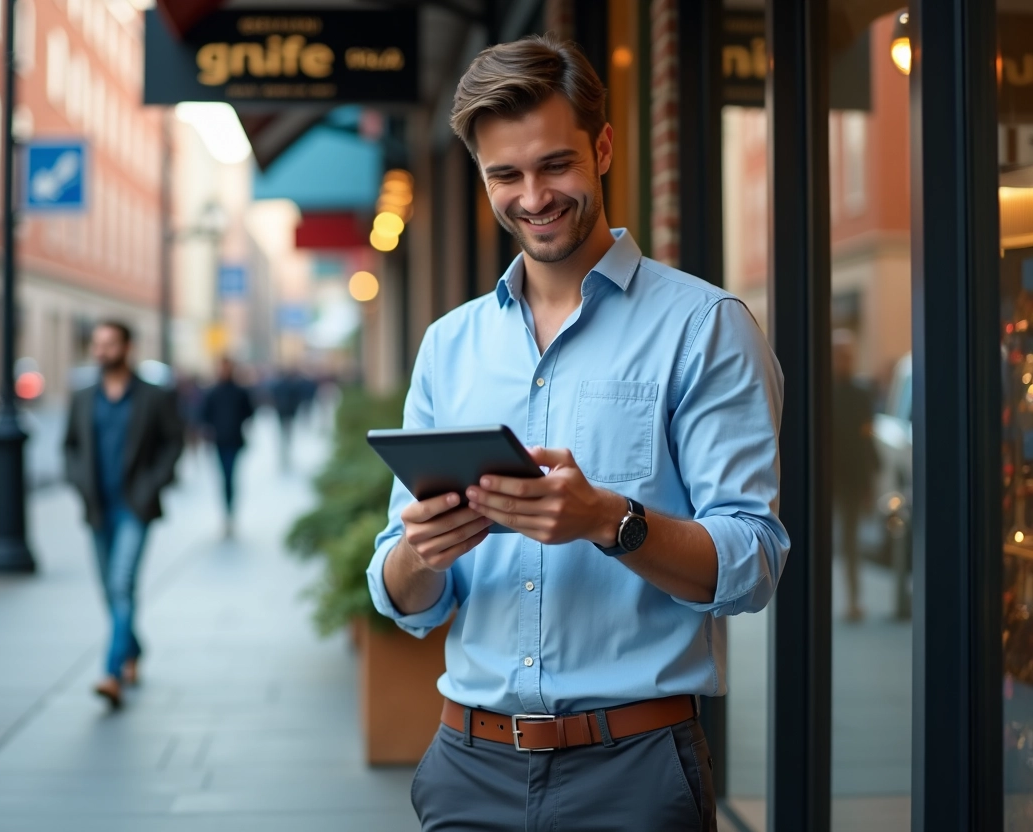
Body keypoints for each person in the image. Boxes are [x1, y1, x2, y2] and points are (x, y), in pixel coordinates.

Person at [366, 36, 788, 831]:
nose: (533, 196)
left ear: (602, 149)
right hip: (467, 767)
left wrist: (607, 521)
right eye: (505, 175)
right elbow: (405, 601)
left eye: (554, 164)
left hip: (634, 772)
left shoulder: (704, 326)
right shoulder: (449, 346)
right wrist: (420, 552)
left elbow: (754, 561)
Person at [64, 321, 183, 708]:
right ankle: (133, 648)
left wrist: (153, 485)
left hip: (135, 507)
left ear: (127, 347)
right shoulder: (83, 397)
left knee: (121, 584)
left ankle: (111, 673)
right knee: (111, 590)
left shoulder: (153, 396)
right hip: (98, 508)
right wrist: (79, 483)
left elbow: (173, 442)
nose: (101, 351)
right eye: (96, 344)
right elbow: (69, 447)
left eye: (109, 343)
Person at [831, 329, 879, 622]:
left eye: (848, 355)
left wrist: (869, 482)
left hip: (851, 478)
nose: (844, 360)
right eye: (839, 355)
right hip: (825, 479)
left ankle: (853, 599)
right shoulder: (821, 393)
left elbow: (866, 440)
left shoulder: (861, 394)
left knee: (850, 542)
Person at [200, 357, 255, 537]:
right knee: (224, 477)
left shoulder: (240, 391)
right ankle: (227, 511)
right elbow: (203, 415)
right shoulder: (212, 392)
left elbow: (249, 412)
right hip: (219, 442)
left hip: (234, 440)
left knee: (230, 476)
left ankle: (230, 512)